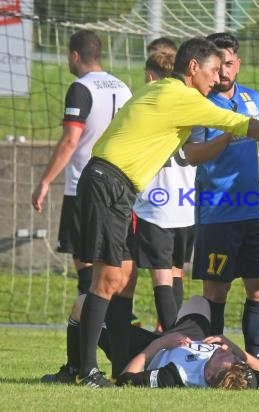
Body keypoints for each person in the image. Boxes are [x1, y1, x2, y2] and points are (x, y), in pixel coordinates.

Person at [75, 36, 259, 388]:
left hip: (109, 182)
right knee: (107, 279)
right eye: (212, 69)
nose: (215, 78)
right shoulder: (184, 97)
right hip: (110, 183)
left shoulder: (163, 89)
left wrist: (224, 137)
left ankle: (113, 362)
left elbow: (190, 154)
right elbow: (249, 126)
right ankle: (85, 370)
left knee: (121, 279)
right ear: (193, 68)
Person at [31, 30, 133, 383]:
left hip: (85, 191)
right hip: (120, 190)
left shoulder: (82, 88)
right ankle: (103, 359)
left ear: (74, 56)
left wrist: (45, 180)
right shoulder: (124, 87)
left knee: (89, 280)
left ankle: (82, 363)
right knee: (111, 278)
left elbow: (72, 138)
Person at [185, 32, 259, 360]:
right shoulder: (199, 103)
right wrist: (228, 136)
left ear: (238, 64)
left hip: (254, 214)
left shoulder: (252, 99)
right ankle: (212, 360)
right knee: (216, 291)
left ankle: (255, 362)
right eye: (218, 66)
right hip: (217, 215)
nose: (223, 72)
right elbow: (193, 154)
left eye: (229, 64)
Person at [51, 294, 259, 389]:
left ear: (208, 375)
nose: (228, 353)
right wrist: (233, 345)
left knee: (83, 304)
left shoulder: (176, 375)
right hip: (185, 338)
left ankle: (73, 368)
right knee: (199, 303)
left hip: (149, 349)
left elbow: (127, 379)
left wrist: (160, 344)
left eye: (225, 357)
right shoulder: (241, 377)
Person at [132, 41, 196, 332]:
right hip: (187, 205)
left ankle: (172, 340)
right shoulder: (191, 106)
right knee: (176, 273)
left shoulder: (145, 106)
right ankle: (171, 333)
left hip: (157, 206)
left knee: (161, 278)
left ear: (150, 76)